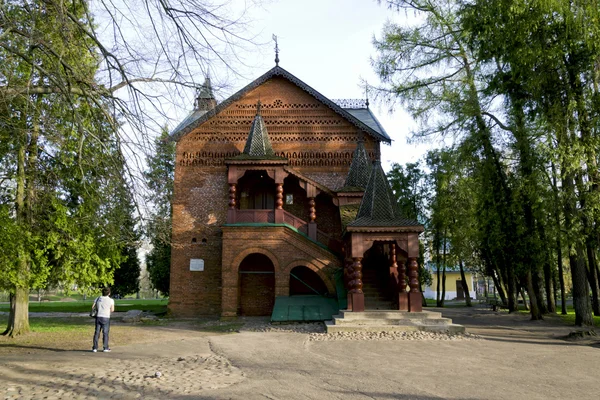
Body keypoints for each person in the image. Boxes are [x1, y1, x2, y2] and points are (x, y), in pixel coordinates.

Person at [91, 287, 115, 353]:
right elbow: (112, 310)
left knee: (97, 332)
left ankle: (95, 348)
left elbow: (93, 306)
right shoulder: (111, 300)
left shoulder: (98, 298)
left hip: (98, 316)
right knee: (105, 333)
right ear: (109, 293)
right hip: (106, 317)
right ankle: (105, 348)